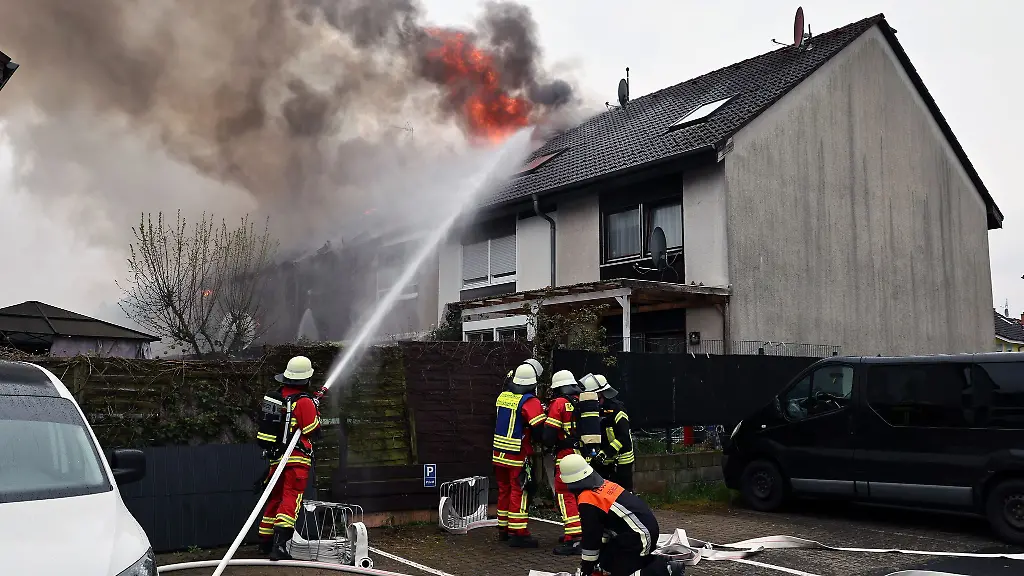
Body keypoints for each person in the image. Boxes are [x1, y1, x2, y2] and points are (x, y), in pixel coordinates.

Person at [558, 454, 685, 576]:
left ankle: (665, 570)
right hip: (642, 531)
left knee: (620, 572)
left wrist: (587, 567)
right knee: (608, 562)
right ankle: (659, 563)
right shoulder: (604, 485)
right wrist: (600, 558)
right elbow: (602, 530)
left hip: (638, 537)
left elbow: (591, 537)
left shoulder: (588, 500)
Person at [256, 356, 322, 561]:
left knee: (275, 499)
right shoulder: (303, 401)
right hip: (296, 460)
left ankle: (265, 543)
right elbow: (311, 429)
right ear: (306, 379)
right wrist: (315, 410)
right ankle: (280, 547)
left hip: (277, 459)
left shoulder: (279, 397)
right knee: (291, 498)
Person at [493, 362, 547, 548]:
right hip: (517, 454)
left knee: (504, 490)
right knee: (520, 490)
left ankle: (503, 529)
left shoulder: (503, 396)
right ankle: (518, 533)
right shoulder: (530, 402)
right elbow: (538, 430)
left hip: (498, 453)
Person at [543, 369, 584, 555]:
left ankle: (574, 537)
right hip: (583, 455)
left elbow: (549, 436)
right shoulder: (582, 400)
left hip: (566, 455)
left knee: (564, 493)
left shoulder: (559, 403)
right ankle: (581, 531)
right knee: (580, 494)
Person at [594, 374, 634, 492]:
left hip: (622, 459)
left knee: (624, 492)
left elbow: (623, 437)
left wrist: (606, 452)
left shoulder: (618, 410)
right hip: (607, 460)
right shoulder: (599, 411)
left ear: (602, 394)